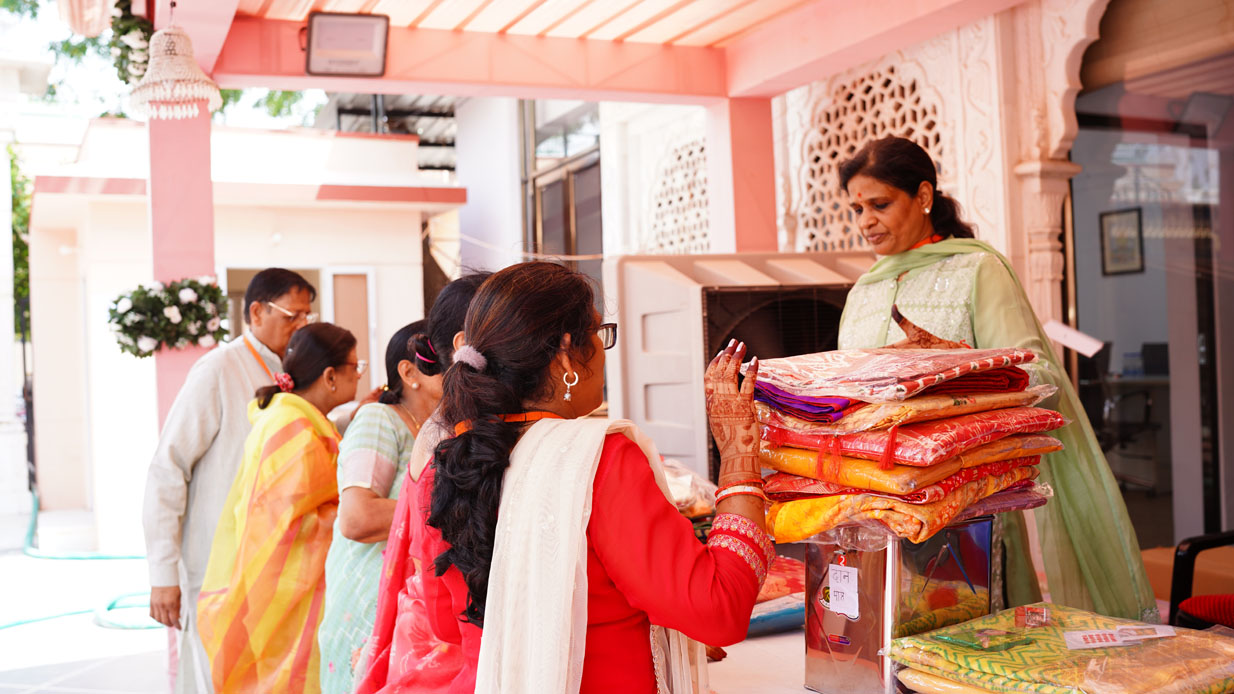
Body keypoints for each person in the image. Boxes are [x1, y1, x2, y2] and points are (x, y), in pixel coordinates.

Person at [360, 262, 774, 694]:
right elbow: (718, 609)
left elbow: (447, 624)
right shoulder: (600, 460)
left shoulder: (448, 462)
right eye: (598, 333)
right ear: (564, 354)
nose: (603, 350)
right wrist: (739, 456)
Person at [835, 135, 1157, 622]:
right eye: (857, 209)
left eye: (880, 205)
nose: (865, 221)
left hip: (966, 507)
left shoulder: (977, 269)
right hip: (872, 508)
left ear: (923, 196)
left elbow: (1037, 376)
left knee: (969, 645)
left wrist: (957, 365)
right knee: (879, 645)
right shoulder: (864, 291)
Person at [142, 268, 316, 693]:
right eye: (291, 316)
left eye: (307, 316)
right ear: (256, 312)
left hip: (275, 565)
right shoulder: (219, 369)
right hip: (216, 563)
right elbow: (168, 468)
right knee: (216, 676)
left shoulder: (295, 372)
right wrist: (163, 573)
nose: (301, 326)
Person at [196, 322, 361, 693]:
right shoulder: (294, 426)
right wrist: (358, 512)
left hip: (281, 582)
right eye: (355, 367)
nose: (359, 375)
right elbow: (287, 521)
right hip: (285, 588)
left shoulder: (295, 418)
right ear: (330, 376)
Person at [352, 272, 491, 689]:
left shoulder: (443, 425)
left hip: (437, 624)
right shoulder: (441, 433)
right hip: (444, 636)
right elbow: (356, 517)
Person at [317, 320, 441, 693]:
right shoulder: (380, 419)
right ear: (409, 373)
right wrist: (449, 505)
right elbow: (357, 518)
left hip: (415, 606)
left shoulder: (435, 429)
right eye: (444, 358)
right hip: (369, 602)